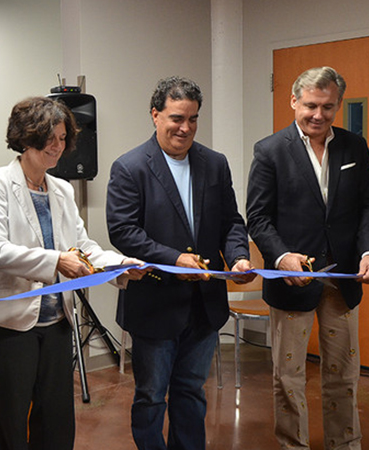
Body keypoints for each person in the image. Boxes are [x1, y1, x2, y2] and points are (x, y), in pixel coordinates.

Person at [0, 96, 146, 449]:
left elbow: (82, 247)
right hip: (8, 330)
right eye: (49, 137)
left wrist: (119, 264)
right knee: (10, 429)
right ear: (25, 137)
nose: (58, 146)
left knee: (56, 428)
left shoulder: (63, 189)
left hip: (55, 326)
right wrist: (55, 261)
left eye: (63, 138)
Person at [106, 76, 255, 450]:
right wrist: (174, 258)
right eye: (176, 118)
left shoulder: (214, 164)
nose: (184, 128)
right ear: (155, 115)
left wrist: (238, 257)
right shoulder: (129, 167)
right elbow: (123, 232)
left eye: (192, 119)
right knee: (152, 396)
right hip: (154, 306)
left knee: (191, 393)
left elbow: (231, 222)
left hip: (204, 307)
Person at [246, 66, 369, 450]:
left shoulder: (354, 147)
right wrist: (281, 256)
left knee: (344, 374)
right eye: (310, 106)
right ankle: (294, 446)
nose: (318, 115)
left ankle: (346, 444)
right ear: (294, 101)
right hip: (294, 281)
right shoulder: (270, 150)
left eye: (327, 107)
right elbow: (257, 217)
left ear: (337, 105)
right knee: (288, 377)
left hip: (343, 280)